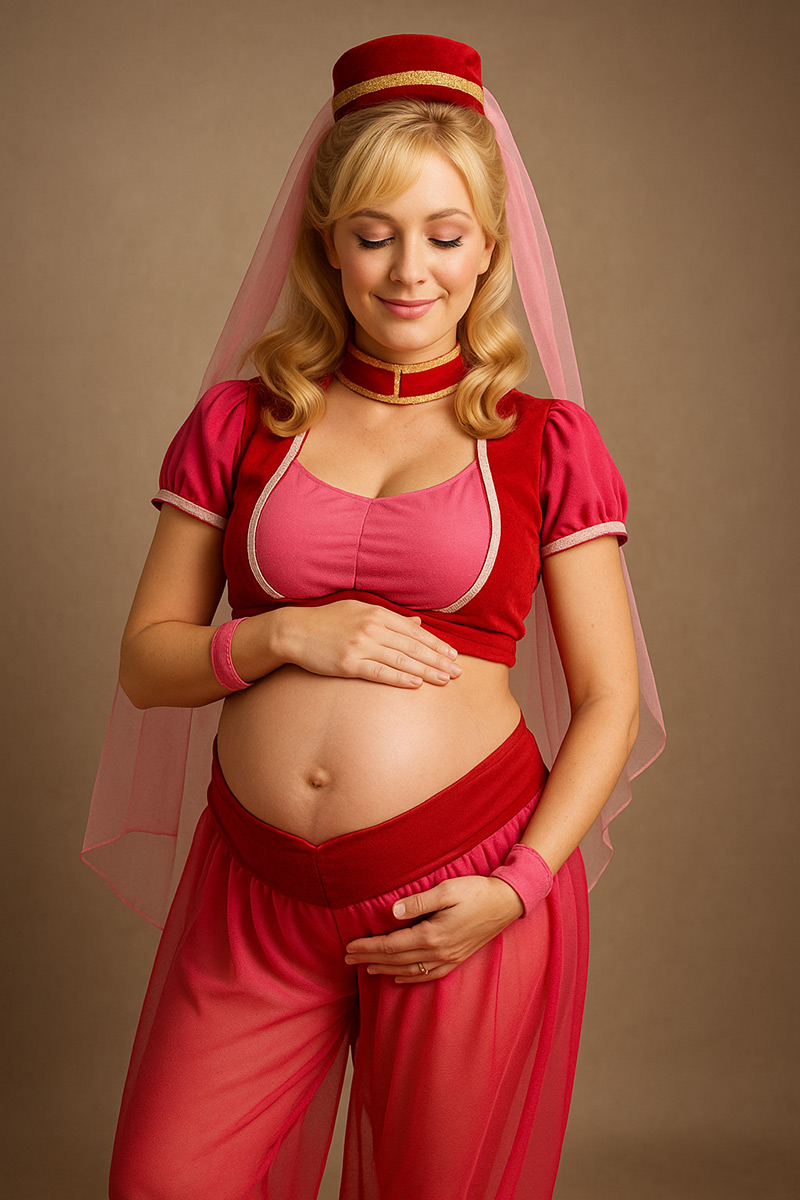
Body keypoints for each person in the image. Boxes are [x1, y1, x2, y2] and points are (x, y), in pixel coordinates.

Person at [87, 33, 664, 1200]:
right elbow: (148, 664)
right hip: (251, 890)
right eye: (374, 233)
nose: (410, 271)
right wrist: (280, 635)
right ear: (327, 243)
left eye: (444, 236)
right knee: (162, 1181)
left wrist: (519, 885)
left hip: (463, 886)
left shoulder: (544, 442)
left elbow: (608, 701)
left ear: (488, 248)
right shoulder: (241, 422)